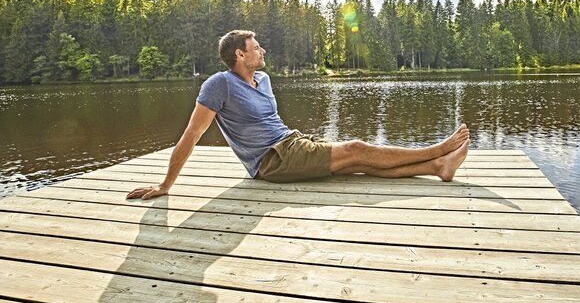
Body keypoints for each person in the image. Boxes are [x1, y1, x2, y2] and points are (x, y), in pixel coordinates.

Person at [127, 30, 470, 200]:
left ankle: (437, 167)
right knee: (356, 148)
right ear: (239, 55)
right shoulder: (220, 85)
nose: (262, 50)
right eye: (255, 47)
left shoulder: (263, 79)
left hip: (291, 143)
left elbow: (273, 124)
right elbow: (191, 136)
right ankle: (438, 150)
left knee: (356, 164)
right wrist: (165, 184)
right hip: (272, 161)